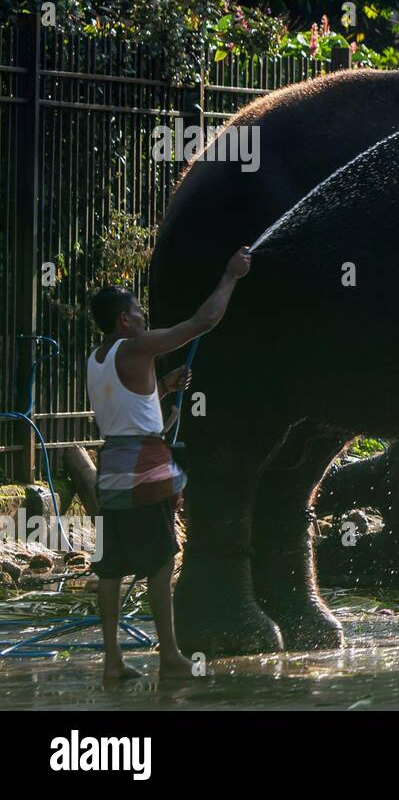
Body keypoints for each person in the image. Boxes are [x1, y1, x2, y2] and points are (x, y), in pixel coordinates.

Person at [86, 246, 252, 681]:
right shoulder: (136, 346)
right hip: (143, 465)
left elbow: (123, 411)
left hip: (111, 468)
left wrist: (160, 387)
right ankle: (171, 657)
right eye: (137, 310)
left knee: (110, 565)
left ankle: (113, 661)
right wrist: (231, 275)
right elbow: (203, 323)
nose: (143, 315)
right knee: (161, 560)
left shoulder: (98, 358)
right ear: (124, 320)